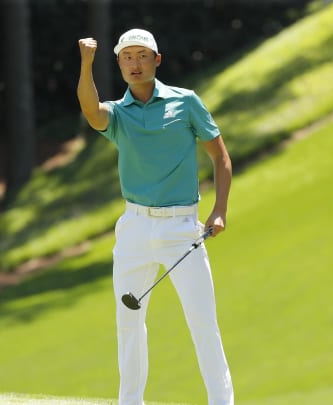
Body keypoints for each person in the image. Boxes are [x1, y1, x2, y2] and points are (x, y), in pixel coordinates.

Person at [77, 28, 234, 405]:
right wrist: (86, 65)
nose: (135, 63)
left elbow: (220, 157)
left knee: (202, 323)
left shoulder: (187, 102)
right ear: (118, 64)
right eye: (127, 57)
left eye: (142, 56)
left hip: (182, 227)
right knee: (128, 323)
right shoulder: (116, 113)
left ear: (156, 60)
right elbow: (90, 110)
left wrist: (220, 210)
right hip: (133, 229)